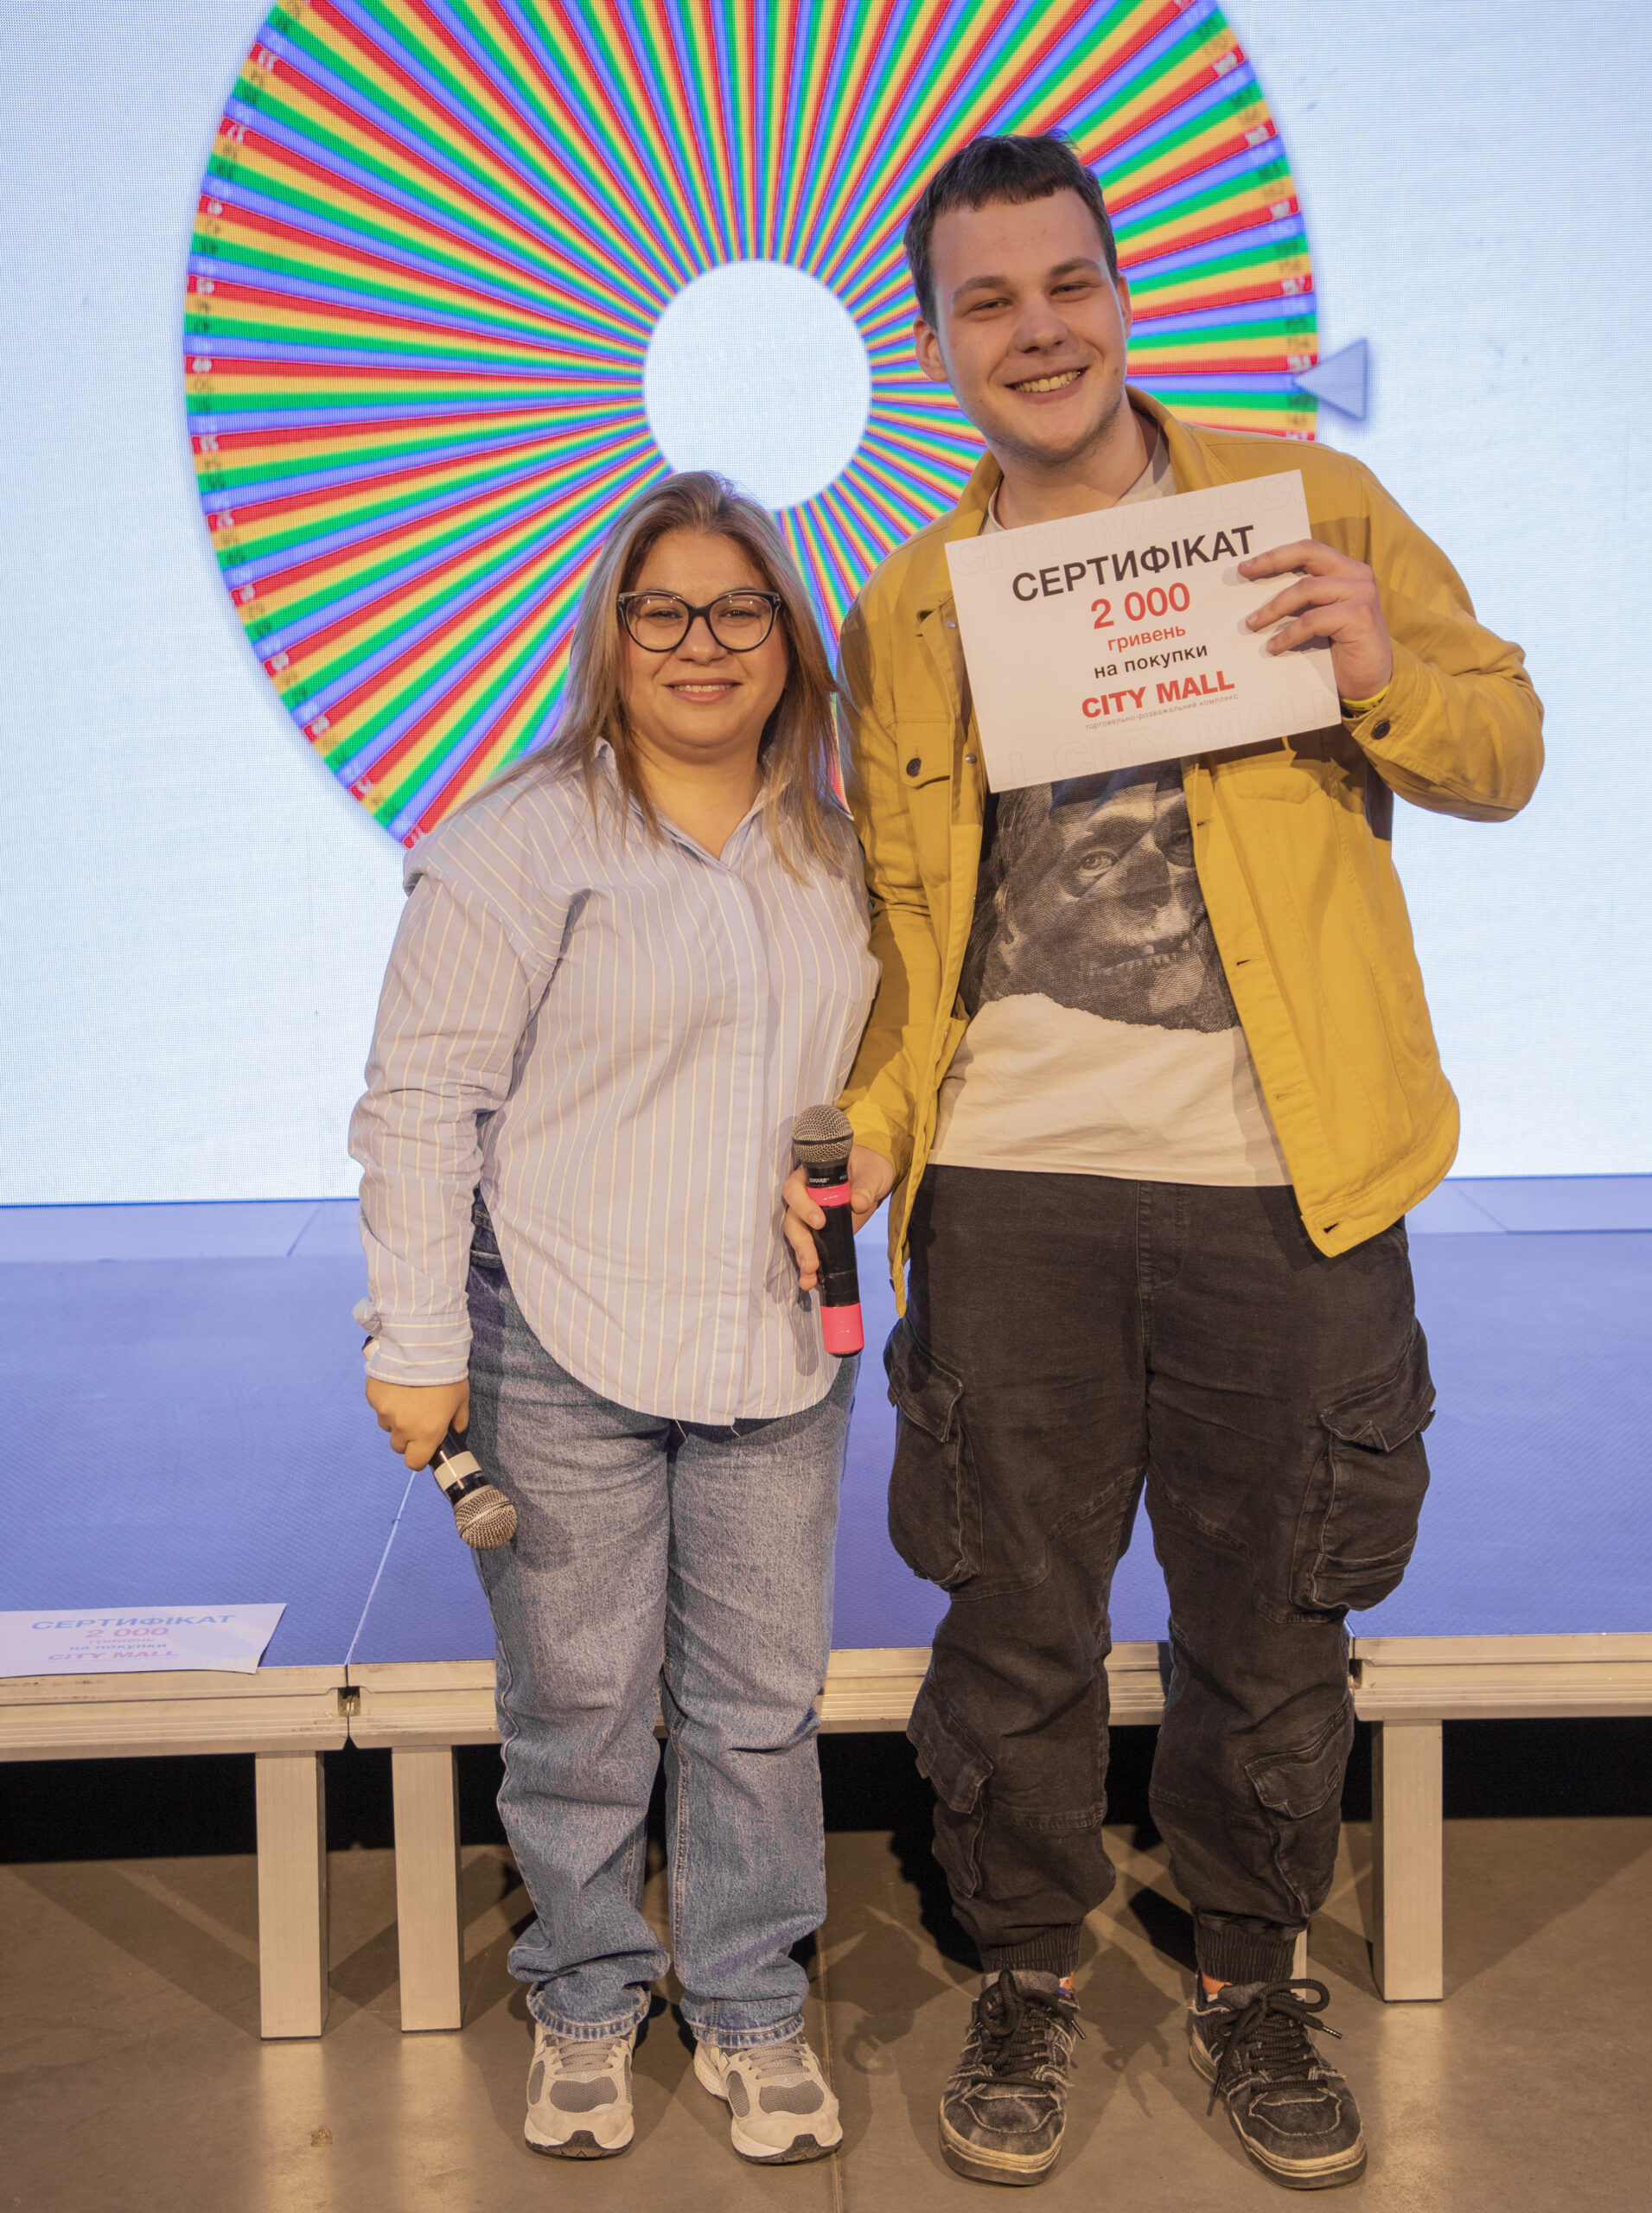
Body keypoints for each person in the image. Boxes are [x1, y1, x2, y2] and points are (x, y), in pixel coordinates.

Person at [783, 134, 1542, 2190]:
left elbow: (1503, 747)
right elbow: (905, 920)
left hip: (1283, 1178)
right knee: (1011, 1620)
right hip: (1010, 1185)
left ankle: (1248, 1972)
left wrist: (1381, 671)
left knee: (1275, 1618)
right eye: (987, 302)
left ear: (1120, 294)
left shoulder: (1307, 508)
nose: (1036, 332)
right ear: (936, 339)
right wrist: (869, 1134)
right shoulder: (907, 607)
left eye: (1067, 286)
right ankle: (1026, 1967)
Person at [354, 472, 877, 2165]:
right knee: (577, 1705)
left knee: (759, 1704)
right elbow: (419, 1102)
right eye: (664, 611)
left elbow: (881, 1075)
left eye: (738, 609)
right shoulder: (518, 842)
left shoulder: (842, 846)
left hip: (776, 1344)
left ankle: (748, 2000)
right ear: (614, 635)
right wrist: (412, 1339)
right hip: (555, 1337)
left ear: (786, 638)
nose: (700, 642)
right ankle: (584, 1993)